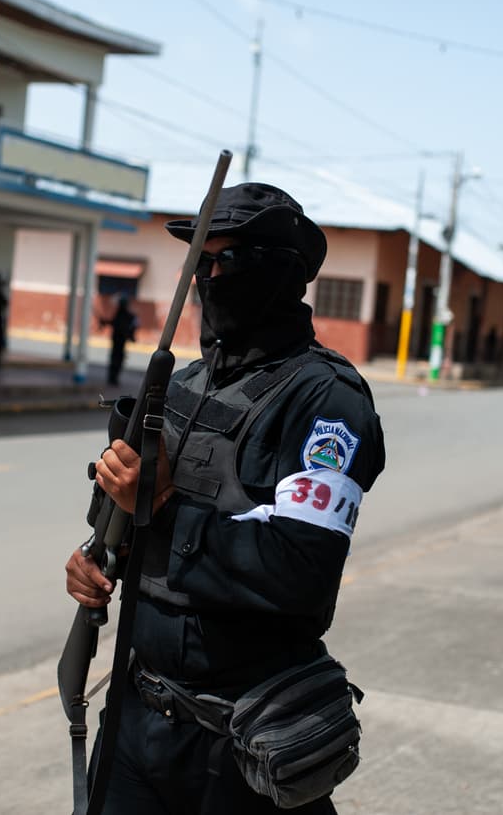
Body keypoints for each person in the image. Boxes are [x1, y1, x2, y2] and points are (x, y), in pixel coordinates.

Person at [64, 182, 386, 814]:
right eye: (198, 262)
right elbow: (126, 530)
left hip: (245, 744)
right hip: (135, 723)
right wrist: (97, 559)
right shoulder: (181, 386)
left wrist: (159, 509)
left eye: (224, 261)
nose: (206, 279)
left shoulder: (326, 404)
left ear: (277, 272)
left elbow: (302, 569)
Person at [100, 293, 138, 386]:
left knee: (116, 359)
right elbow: (115, 323)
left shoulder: (127, 315)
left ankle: (113, 378)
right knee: (116, 359)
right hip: (117, 341)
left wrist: (131, 335)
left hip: (120, 341)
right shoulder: (123, 314)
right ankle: (112, 378)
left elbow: (127, 326)